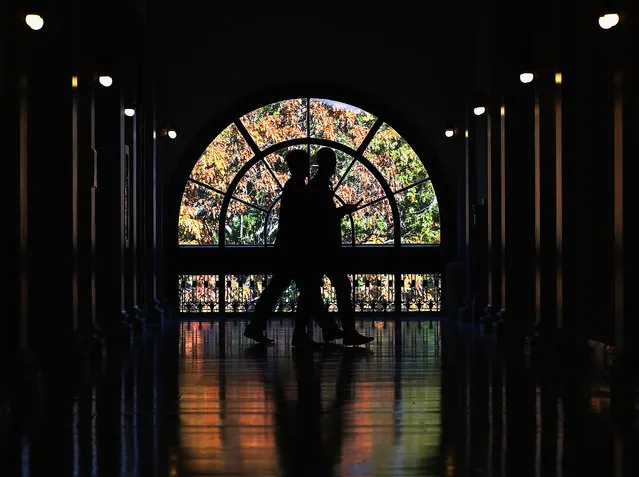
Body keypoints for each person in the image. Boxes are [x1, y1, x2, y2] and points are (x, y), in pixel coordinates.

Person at [243, 149, 342, 347]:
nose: (308, 167)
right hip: (295, 250)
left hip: (289, 249)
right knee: (309, 291)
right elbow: (304, 219)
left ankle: (258, 327)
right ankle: (324, 329)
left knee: (289, 290)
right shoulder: (298, 187)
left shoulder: (293, 186)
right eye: (305, 163)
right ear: (299, 166)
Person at [306, 147, 373, 346]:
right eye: (333, 162)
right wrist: (343, 211)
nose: (335, 167)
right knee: (343, 288)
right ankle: (348, 332)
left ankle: (331, 330)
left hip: (319, 248)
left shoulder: (315, 185)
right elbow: (325, 218)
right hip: (327, 249)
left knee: (314, 292)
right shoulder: (320, 187)